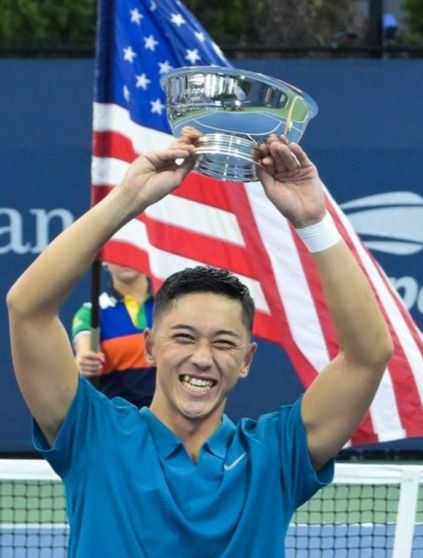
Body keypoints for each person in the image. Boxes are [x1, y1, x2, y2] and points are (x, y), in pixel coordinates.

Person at [6, 128, 393, 557]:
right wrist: (128, 199)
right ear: (150, 345)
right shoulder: (93, 435)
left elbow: (368, 356)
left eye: (224, 343)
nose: (202, 358)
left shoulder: (276, 455)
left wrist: (313, 222)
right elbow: (28, 309)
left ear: (247, 359)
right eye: (184, 337)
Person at [72, 263, 156, 407]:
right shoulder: (90, 312)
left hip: (171, 422)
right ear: (105, 261)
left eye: (132, 247)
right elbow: (84, 349)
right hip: (117, 421)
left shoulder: (170, 306)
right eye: (119, 250)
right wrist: (85, 359)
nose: (125, 258)